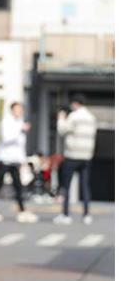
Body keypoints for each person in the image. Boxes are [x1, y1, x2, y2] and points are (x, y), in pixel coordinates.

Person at [0, 101, 38, 223]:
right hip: (5, 159)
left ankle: (22, 211)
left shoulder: (20, 122)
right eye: (17, 109)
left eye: (21, 109)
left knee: (18, 186)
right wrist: (20, 129)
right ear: (12, 110)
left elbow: (21, 145)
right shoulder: (6, 122)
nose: (19, 112)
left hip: (15, 160)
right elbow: (6, 138)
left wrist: (23, 161)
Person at [53, 93, 97, 225]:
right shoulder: (91, 117)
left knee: (66, 186)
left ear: (75, 103)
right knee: (85, 186)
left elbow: (62, 130)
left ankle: (65, 214)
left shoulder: (74, 116)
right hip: (86, 156)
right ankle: (86, 215)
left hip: (72, 155)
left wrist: (61, 119)